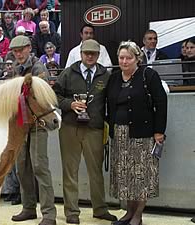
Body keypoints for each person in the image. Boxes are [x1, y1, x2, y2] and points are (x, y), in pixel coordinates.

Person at [52, 39, 117, 224]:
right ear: (80, 53)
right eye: (86, 53)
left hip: (94, 128)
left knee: (95, 171)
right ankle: (72, 212)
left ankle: (100, 209)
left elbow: (110, 101)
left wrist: (108, 125)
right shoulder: (68, 73)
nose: (89, 56)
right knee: (69, 171)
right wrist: (69, 104)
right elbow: (55, 95)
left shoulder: (105, 75)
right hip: (70, 128)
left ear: (98, 55)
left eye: (93, 53)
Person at [106, 41, 167, 225]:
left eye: (129, 58)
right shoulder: (114, 78)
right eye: (121, 57)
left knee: (141, 177)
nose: (124, 61)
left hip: (144, 134)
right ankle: (128, 213)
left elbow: (161, 103)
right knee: (125, 176)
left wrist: (159, 131)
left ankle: (138, 216)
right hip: (119, 134)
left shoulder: (149, 75)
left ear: (137, 59)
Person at [9, 35, 57, 225]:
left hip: (38, 124)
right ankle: (28, 207)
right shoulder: (15, 68)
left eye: (21, 50)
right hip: (21, 124)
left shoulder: (38, 68)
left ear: (29, 48)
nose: (18, 54)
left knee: (40, 167)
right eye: (15, 51)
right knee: (22, 168)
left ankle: (49, 214)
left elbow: (41, 96)